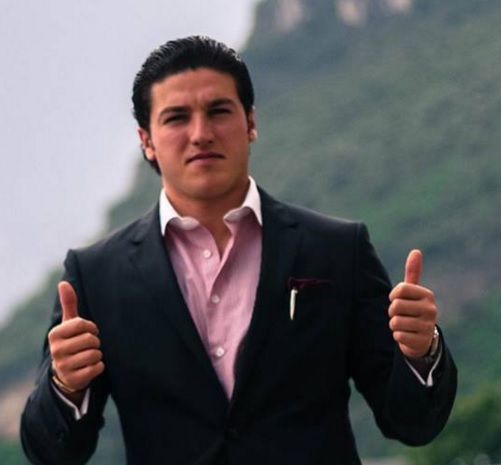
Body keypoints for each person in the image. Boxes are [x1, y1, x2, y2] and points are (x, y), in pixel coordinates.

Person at [20, 36, 457, 465]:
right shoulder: (96, 276)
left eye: (218, 111)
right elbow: (52, 454)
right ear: (146, 140)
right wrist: (66, 387)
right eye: (176, 117)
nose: (200, 134)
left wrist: (422, 352)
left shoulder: (338, 250)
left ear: (250, 122)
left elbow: (412, 423)